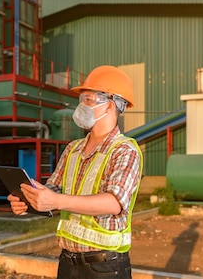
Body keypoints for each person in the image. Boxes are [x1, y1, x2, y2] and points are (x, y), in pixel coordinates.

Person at [8, 65, 143, 279]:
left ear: (110, 105)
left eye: (89, 99)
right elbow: (53, 191)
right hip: (68, 263)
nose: (82, 105)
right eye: (82, 99)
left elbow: (113, 203)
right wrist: (29, 201)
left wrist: (56, 200)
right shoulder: (72, 148)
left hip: (105, 268)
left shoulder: (124, 150)